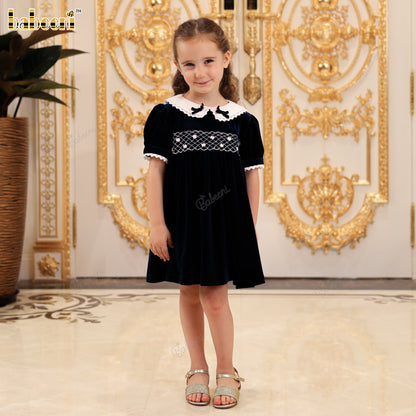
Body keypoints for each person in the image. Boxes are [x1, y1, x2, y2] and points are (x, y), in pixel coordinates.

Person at [143, 17, 265, 409]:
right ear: (177, 66)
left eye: (209, 61)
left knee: (215, 297)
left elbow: (251, 177)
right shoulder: (165, 115)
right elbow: (155, 172)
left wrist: (248, 228)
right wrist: (157, 224)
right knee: (188, 292)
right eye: (190, 64)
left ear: (226, 58)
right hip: (182, 222)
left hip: (224, 224)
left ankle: (227, 369)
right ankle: (197, 367)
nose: (200, 72)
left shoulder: (244, 122)